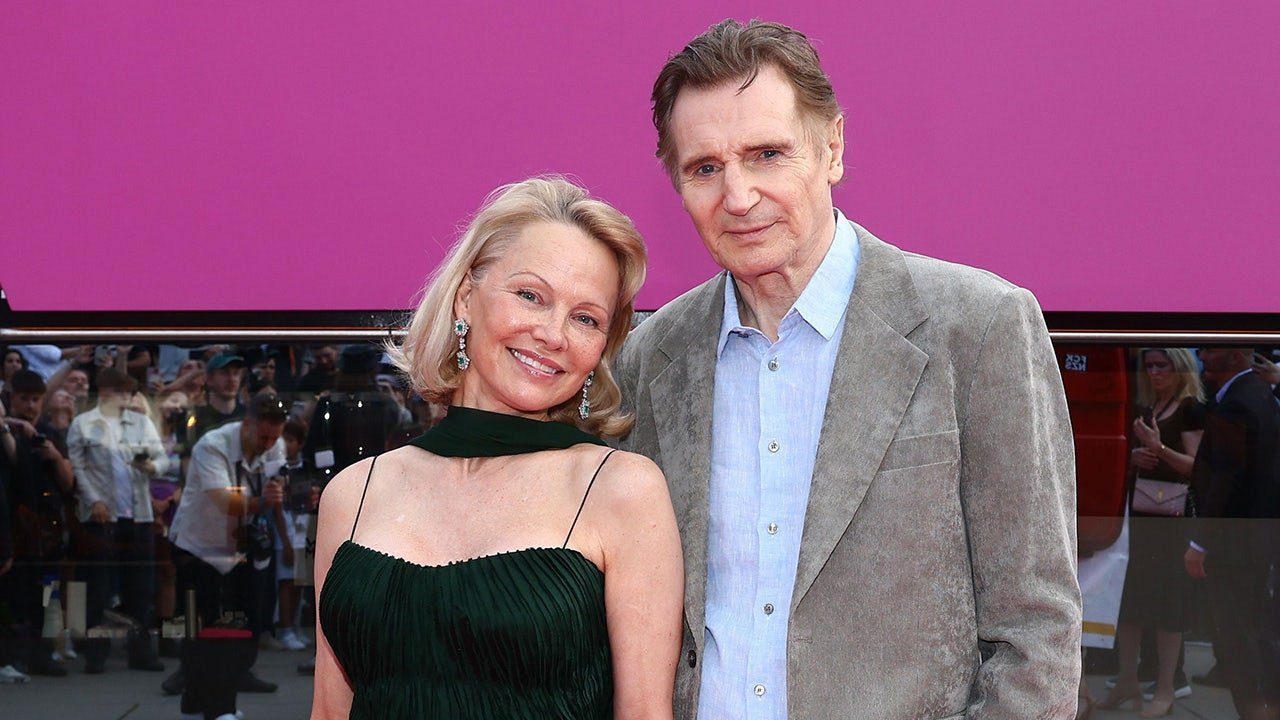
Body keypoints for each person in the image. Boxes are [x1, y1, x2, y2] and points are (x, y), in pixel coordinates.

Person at [614, 19, 1080, 718]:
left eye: (767, 154)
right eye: (705, 168)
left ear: (831, 147)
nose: (737, 197)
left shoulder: (979, 328)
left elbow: (1038, 635)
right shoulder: (650, 357)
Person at [311, 176, 683, 720]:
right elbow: (328, 709)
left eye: (585, 318)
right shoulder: (354, 493)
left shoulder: (620, 490)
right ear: (467, 297)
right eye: (531, 296)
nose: (554, 334)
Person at [163, 392, 289, 713]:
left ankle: (211, 696)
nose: (268, 444)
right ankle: (214, 706)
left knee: (245, 627)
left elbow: (278, 490)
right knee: (206, 630)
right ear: (247, 425)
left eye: (274, 438)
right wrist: (263, 501)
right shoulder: (212, 445)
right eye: (263, 437)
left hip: (239, 547)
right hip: (198, 547)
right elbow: (224, 501)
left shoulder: (275, 446)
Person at [1101, 349, 1205, 715]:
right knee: (1131, 603)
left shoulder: (1190, 408)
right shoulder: (1147, 407)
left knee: (1167, 607)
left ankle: (1166, 688)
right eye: (1150, 366)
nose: (1155, 372)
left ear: (1181, 368)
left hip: (1173, 522)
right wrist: (1133, 459)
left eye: (1163, 365)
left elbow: (1197, 467)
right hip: (1140, 517)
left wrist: (1158, 449)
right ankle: (1128, 679)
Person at [1184, 347, 1280, 720]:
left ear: (1237, 356)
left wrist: (1200, 542)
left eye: (1211, 349)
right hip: (1254, 541)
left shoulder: (1240, 402)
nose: (1202, 356)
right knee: (1253, 632)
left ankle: (1256, 711)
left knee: (1238, 636)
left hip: (1236, 544)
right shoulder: (1257, 394)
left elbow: (1227, 477)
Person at [65, 369, 169, 673]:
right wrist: (93, 500)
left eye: (130, 392)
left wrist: (151, 467)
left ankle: (141, 652)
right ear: (105, 391)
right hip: (101, 517)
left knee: (140, 588)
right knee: (97, 586)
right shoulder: (83, 424)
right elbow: (78, 468)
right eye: (122, 391)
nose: (127, 398)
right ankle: (95, 653)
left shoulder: (140, 422)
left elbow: (163, 460)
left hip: (138, 514)